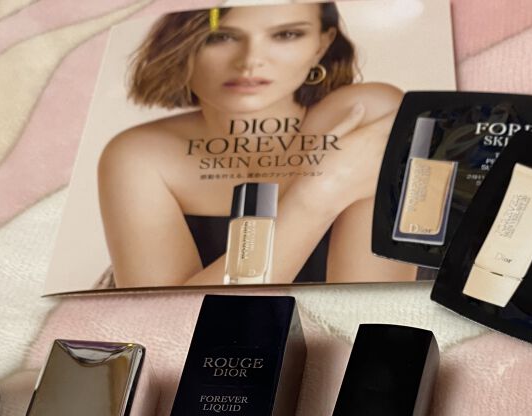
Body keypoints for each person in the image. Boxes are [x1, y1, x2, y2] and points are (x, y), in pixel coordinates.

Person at [98, 3, 416, 287]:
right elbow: (170, 323)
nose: (250, 61)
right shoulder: (139, 154)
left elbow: (368, 316)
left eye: (287, 35)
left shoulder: (367, 113)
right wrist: (318, 195)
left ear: (322, 43)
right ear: (180, 44)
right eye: (221, 37)